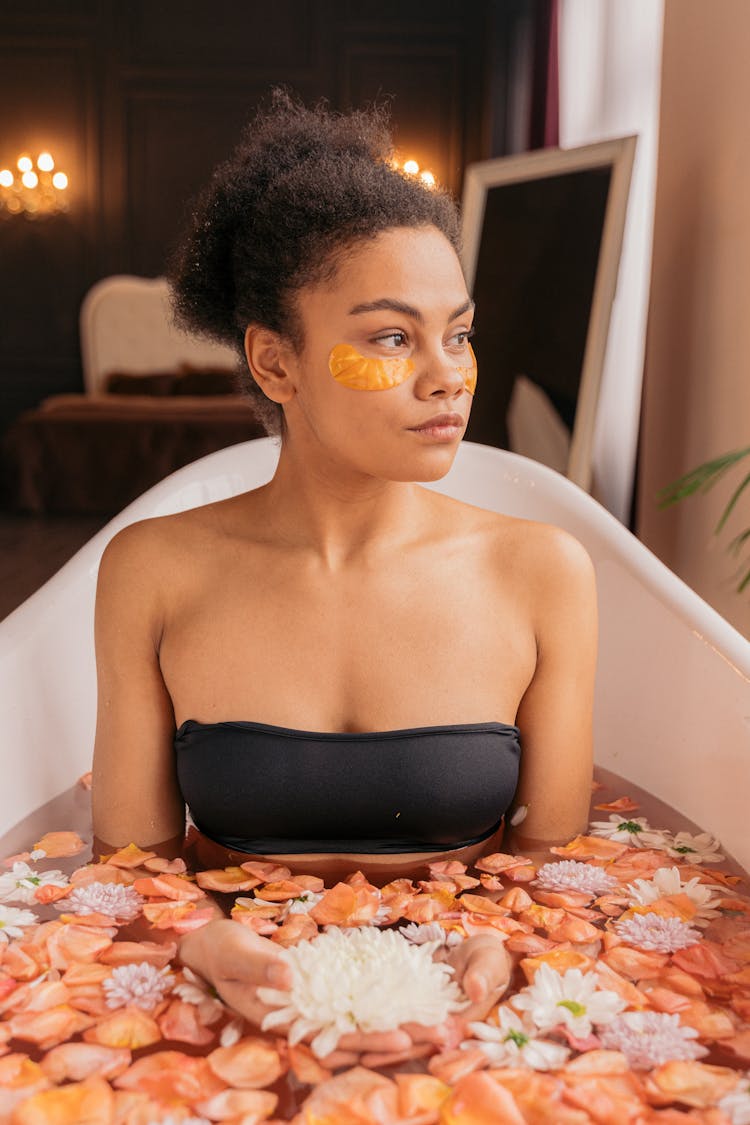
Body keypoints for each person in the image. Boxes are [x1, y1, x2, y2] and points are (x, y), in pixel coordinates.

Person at [91, 91, 597, 1067]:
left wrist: (501, 945)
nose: (448, 375)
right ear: (275, 363)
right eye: (392, 337)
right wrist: (196, 941)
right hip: (237, 974)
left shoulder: (542, 573)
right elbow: (130, 871)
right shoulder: (154, 569)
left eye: (460, 332)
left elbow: (556, 865)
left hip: (466, 983)